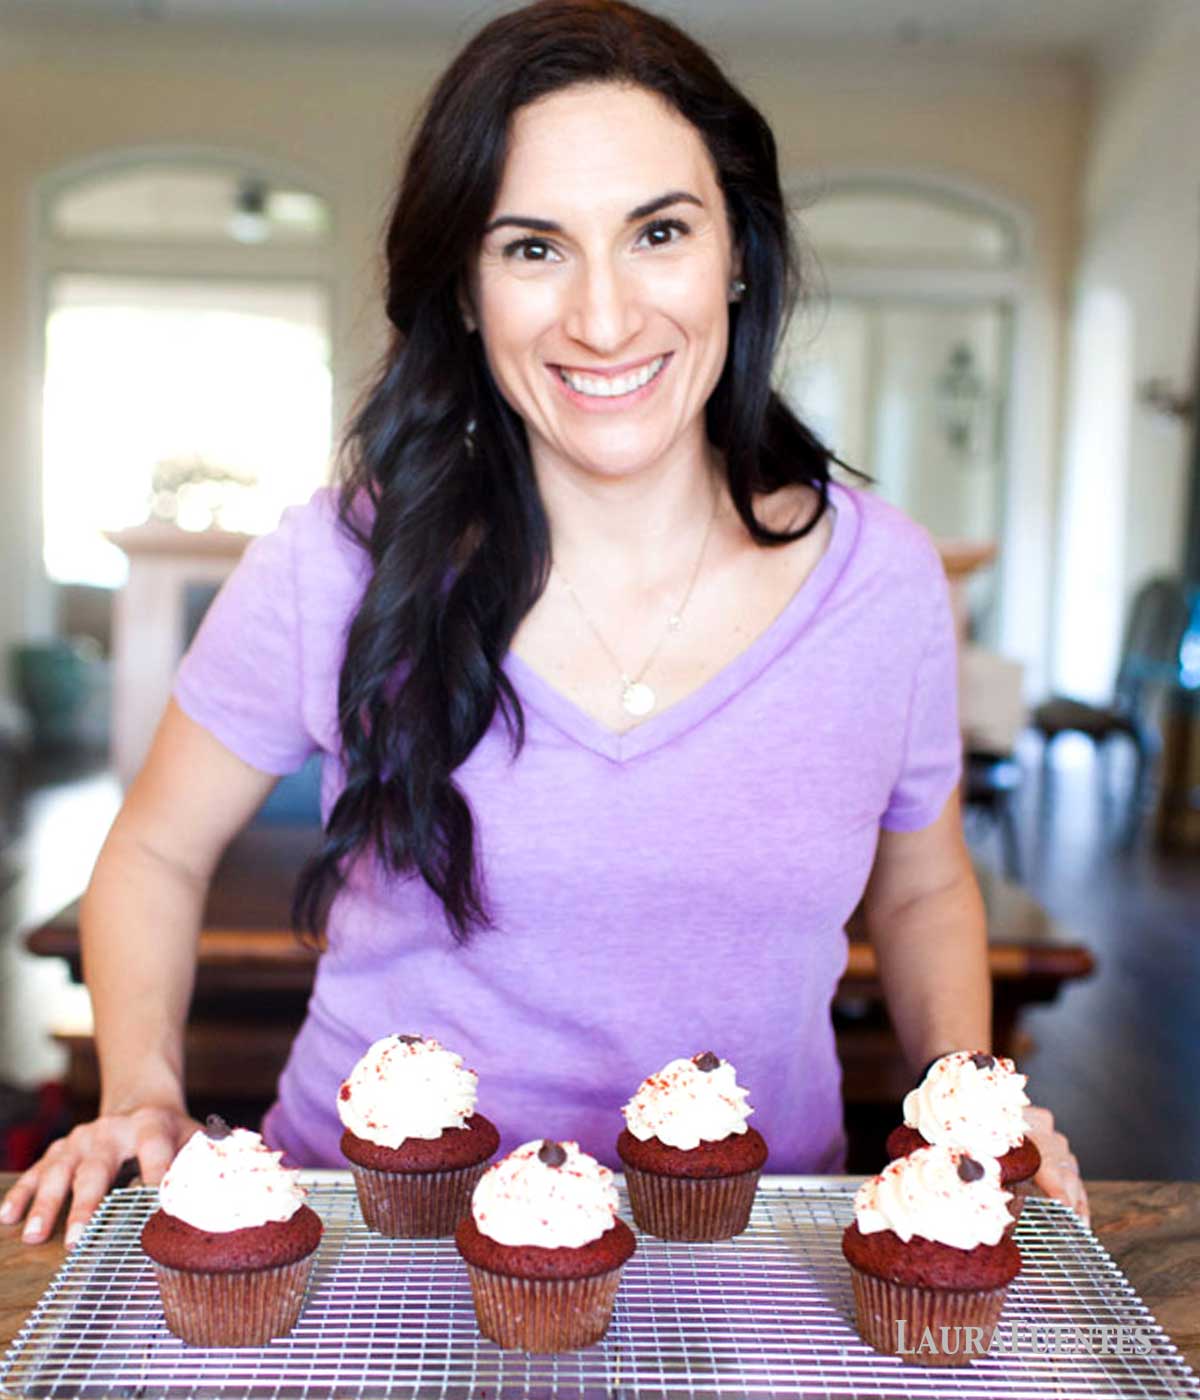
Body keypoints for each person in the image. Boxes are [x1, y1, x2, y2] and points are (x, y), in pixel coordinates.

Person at [3, 0, 1087, 1248]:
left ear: (738, 252)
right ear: (463, 289)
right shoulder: (337, 561)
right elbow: (151, 852)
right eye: (533, 248)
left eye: (659, 233)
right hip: (373, 1245)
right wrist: (143, 1090)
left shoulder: (885, 585)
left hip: (746, 1258)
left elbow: (923, 883)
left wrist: (966, 1101)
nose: (606, 317)